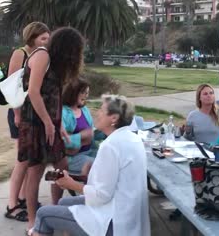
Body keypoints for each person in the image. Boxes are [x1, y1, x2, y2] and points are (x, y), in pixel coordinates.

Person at [32, 95, 150, 236]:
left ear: (114, 118)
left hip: (115, 223)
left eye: (101, 110)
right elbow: (115, 183)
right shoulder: (132, 139)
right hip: (129, 216)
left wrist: (71, 184)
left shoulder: (111, 146)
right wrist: (91, 173)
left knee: (43, 214)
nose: (97, 113)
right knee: (63, 202)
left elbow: (101, 196)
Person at [19, 27, 85, 235]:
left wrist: (59, 125)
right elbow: (34, 93)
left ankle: (56, 209)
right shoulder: (42, 55)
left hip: (50, 123)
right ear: (67, 48)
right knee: (35, 172)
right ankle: (33, 222)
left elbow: (54, 97)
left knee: (61, 166)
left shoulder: (55, 63)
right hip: (36, 124)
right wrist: (48, 123)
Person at [5, 22, 50, 222]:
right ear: (32, 37)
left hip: (30, 114)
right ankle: (12, 205)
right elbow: (12, 87)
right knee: (21, 161)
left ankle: (23, 198)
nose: (46, 42)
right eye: (43, 38)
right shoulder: (20, 53)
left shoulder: (40, 56)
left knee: (29, 160)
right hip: (20, 113)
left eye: (48, 38)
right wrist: (16, 114)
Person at [61, 78, 95, 175]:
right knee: (101, 165)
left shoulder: (85, 110)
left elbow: (91, 133)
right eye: (83, 92)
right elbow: (59, 141)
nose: (86, 96)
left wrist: (105, 132)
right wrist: (80, 137)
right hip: (72, 157)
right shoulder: (63, 113)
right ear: (73, 93)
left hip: (89, 151)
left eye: (87, 93)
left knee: (110, 160)